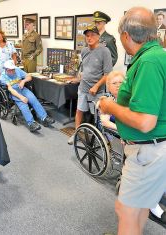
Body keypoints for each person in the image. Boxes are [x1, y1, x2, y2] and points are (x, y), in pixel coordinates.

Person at [98, 7, 166, 235]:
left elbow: (146, 122)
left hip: (147, 152)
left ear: (126, 35)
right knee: (141, 205)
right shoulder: (158, 55)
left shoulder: (148, 62)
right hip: (155, 150)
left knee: (125, 209)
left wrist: (110, 106)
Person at [68, 25, 112, 145]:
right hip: (83, 88)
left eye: (92, 35)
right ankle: (76, 133)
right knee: (79, 111)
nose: (89, 37)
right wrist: (78, 78)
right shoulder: (84, 51)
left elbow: (107, 74)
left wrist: (96, 86)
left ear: (98, 36)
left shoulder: (105, 51)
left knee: (99, 116)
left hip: (97, 91)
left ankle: (101, 139)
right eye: (87, 35)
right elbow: (85, 69)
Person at [0, 60, 55, 132]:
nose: (12, 72)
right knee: (23, 104)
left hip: (23, 89)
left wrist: (23, 81)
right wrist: (21, 97)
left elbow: (29, 76)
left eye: (13, 70)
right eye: (10, 70)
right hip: (14, 92)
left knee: (34, 99)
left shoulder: (17, 70)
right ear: (5, 69)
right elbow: (10, 89)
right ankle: (31, 123)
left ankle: (44, 117)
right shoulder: (3, 76)